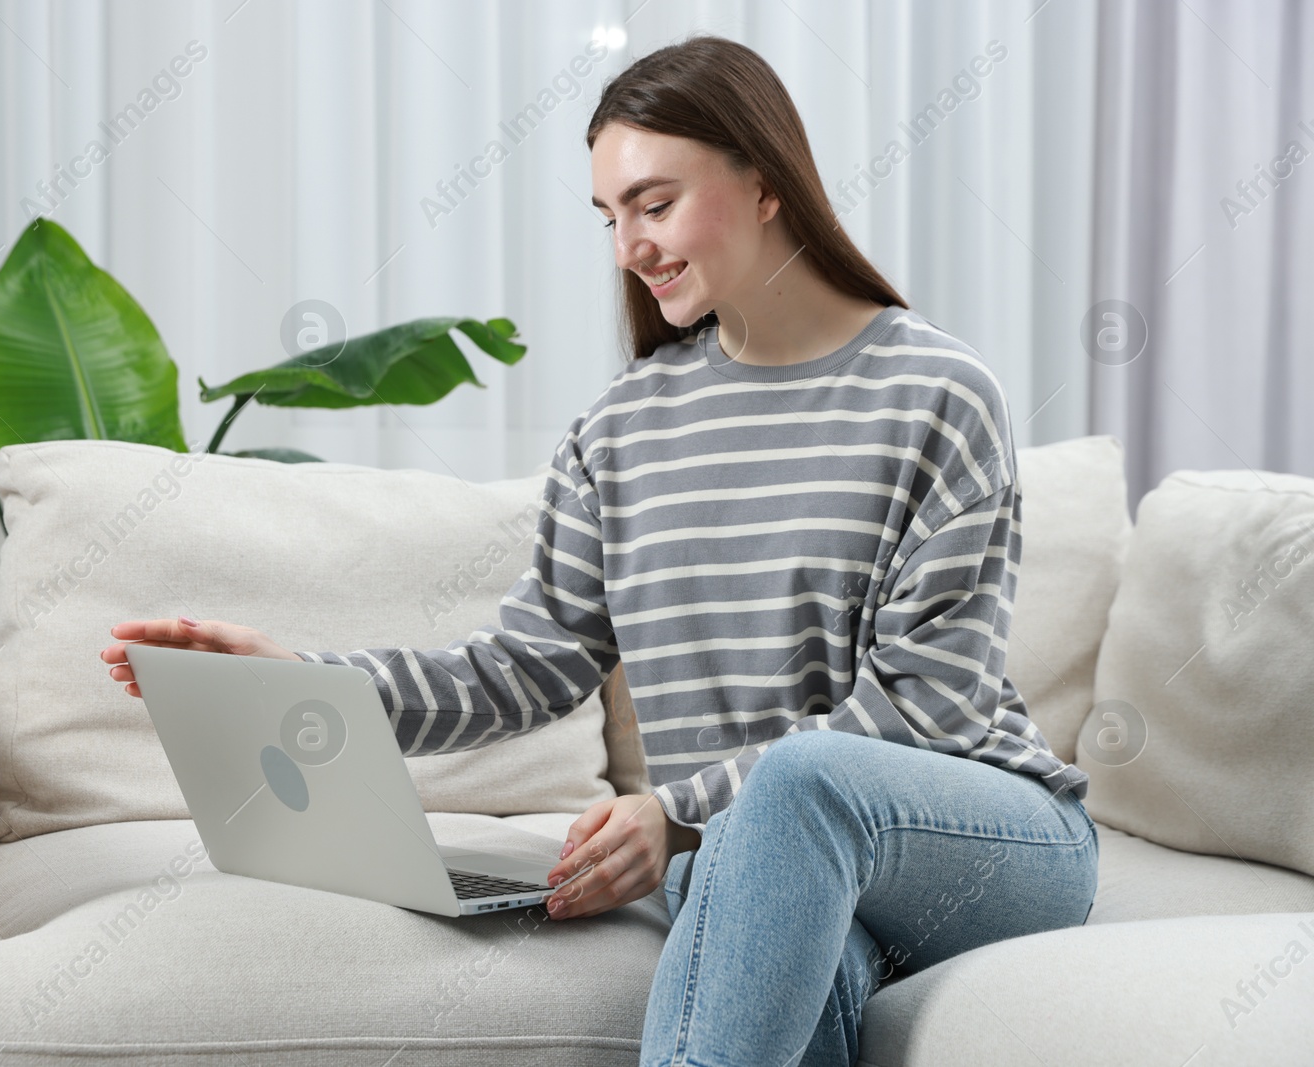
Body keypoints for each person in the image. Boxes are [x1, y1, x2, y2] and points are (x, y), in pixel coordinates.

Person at [100, 35, 1097, 1067]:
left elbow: (926, 704)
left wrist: (675, 811)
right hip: (744, 859)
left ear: (764, 182)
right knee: (809, 952)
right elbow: (525, 665)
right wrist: (302, 682)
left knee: (802, 783)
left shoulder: (937, 393)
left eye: (654, 205)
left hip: (978, 839)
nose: (628, 246)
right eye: (609, 216)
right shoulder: (620, 430)